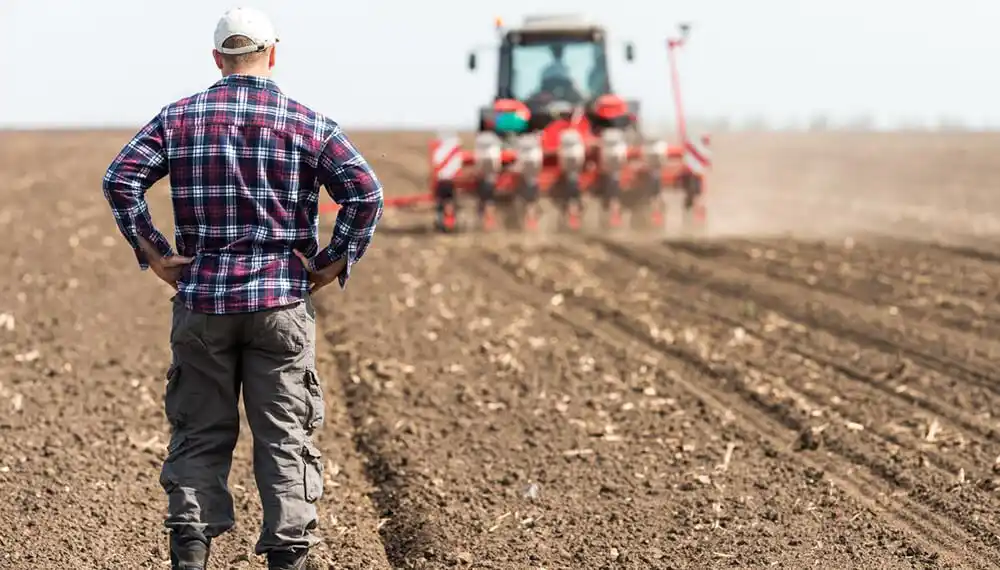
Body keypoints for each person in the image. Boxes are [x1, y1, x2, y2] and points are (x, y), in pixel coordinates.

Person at [101, 7, 383, 570]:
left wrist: (154, 253)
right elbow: (366, 194)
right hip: (281, 303)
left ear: (217, 59)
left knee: (199, 431)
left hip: (202, 304)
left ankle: (190, 554)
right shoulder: (308, 122)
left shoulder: (179, 118)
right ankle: (288, 557)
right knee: (285, 436)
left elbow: (120, 179)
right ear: (273, 54)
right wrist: (329, 264)